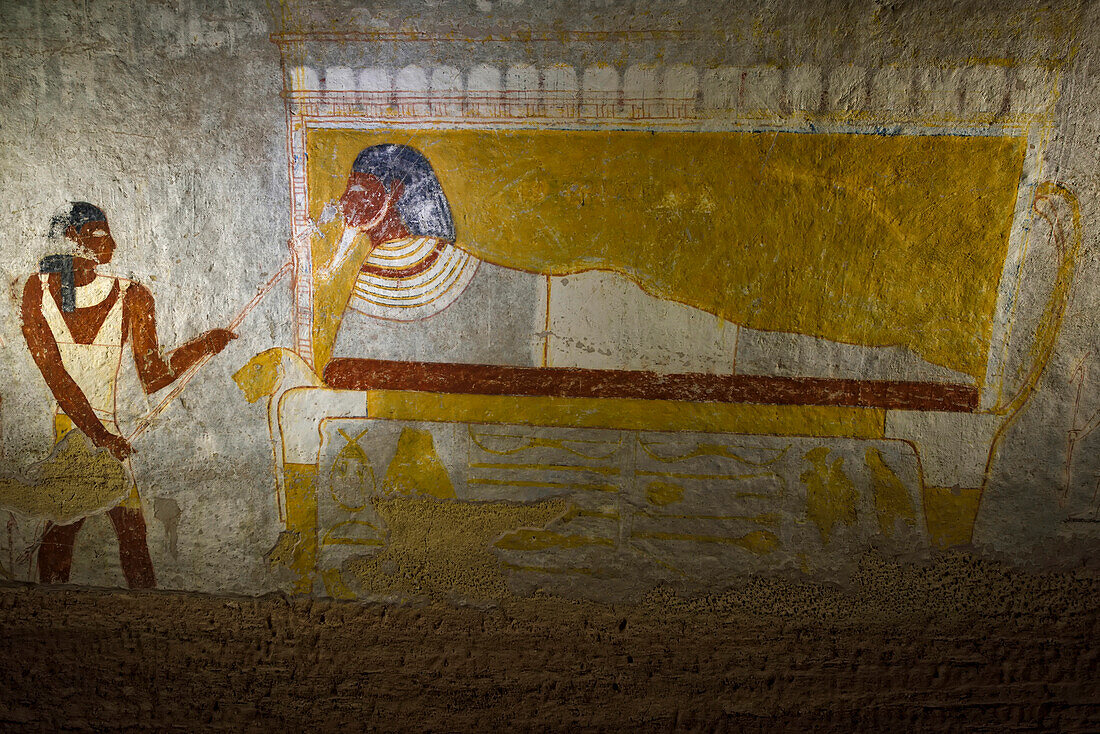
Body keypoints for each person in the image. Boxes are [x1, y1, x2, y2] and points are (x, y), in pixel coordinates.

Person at [20, 202, 236, 588]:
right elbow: (56, 376)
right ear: (72, 239)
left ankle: (145, 623)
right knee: (74, 529)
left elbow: (152, 374)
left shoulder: (133, 295)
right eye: (99, 234)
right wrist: (100, 437)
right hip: (72, 429)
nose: (112, 244)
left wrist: (203, 345)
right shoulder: (36, 290)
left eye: (109, 234)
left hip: (107, 430)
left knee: (124, 533)